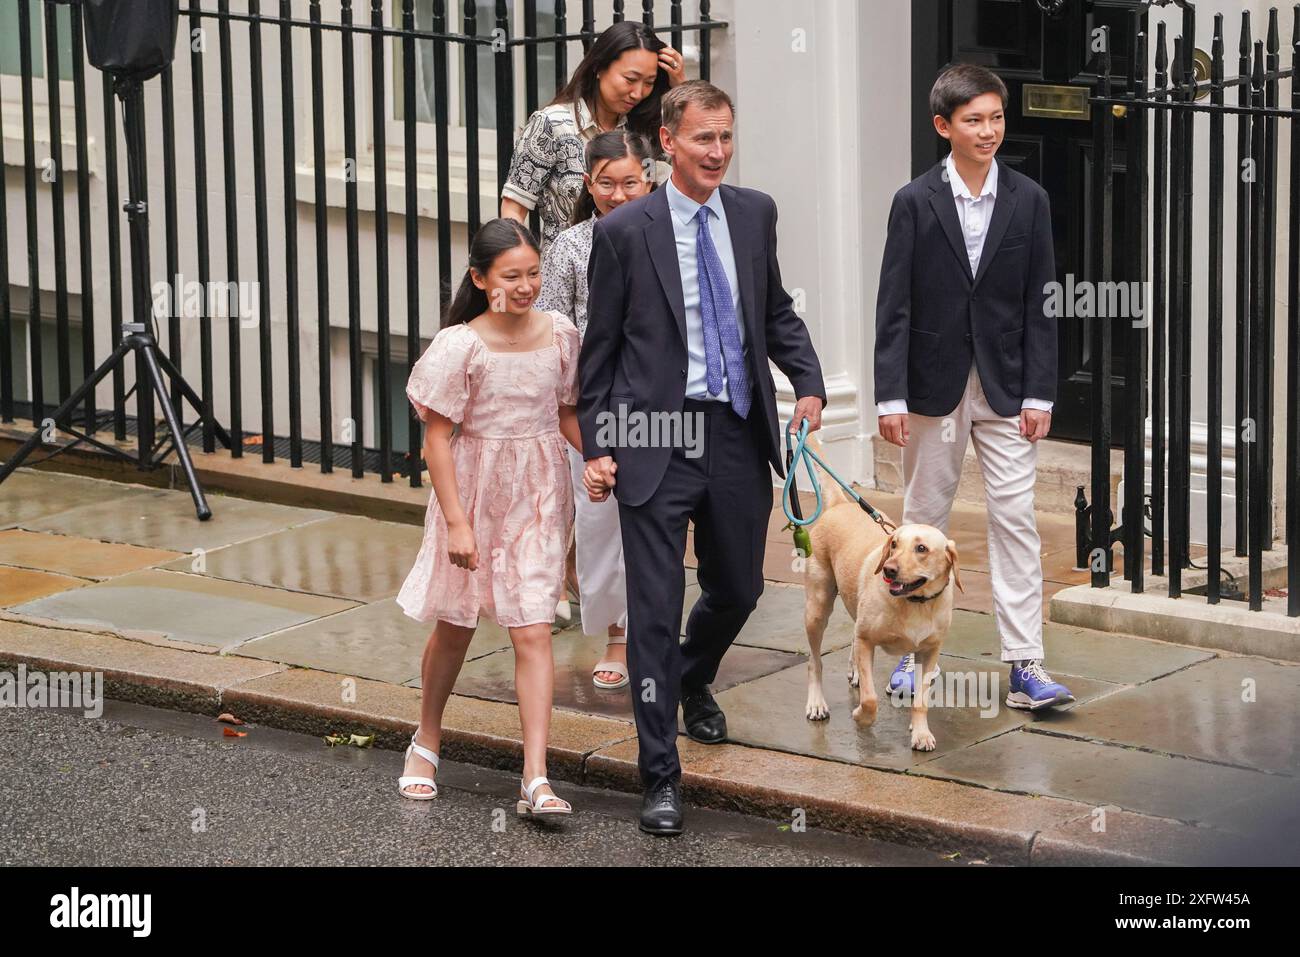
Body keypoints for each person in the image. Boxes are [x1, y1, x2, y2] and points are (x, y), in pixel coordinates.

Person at [579, 81, 827, 836]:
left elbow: (772, 307)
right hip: (654, 437)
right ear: (665, 142)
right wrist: (600, 444)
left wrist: (808, 381)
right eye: (702, 140)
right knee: (652, 610)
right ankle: (660, 776)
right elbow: (601, 355)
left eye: (726, 137)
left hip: (734, 429)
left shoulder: (754, 214)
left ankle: (688, 679)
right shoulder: (626, 234)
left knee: (739, 586)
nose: (718, 152)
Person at [874, 63, 1075, 712]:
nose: (989, 130)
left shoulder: (1030, 200)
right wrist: (889, 394)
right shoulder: (913, 201)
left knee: (1015, 518)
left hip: (1008, 386)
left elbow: (1043, 303)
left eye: (996, 118)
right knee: (921, 522)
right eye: (974, 120)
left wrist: (1042, 392)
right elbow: (894, 304)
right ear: (943, 126)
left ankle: (1025, 665)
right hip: (932, 385)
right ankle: (909, 657)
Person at [395, 218, 584, 817]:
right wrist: (456, 522)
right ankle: (425, 740)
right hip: (472, 498)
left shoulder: (560, 335)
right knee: (457, 624)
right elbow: (437, 440)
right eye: (512, 276)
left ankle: (535, 777)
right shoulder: (461, 346)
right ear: (480, 279)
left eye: (533, 274)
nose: (526, 286)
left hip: (538, 495)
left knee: (532, 626)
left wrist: (600, 459)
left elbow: (564, 413)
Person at [537, 130, 657, 691]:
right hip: (592, 402)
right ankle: (616, 633)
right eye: (605, 183)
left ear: (648, 179)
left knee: (657, 516)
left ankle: (652, 627)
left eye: (628, 182)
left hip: (658, 399)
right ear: (588, 184)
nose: (616, 193)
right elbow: (553, 326)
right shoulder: (570, 247)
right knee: (599, 519)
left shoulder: (668, 234)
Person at [500, 20, 686, 251]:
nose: (638, 93)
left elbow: (687, 169)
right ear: (599, 68)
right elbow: (514, 209)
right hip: (567, 275)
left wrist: (679, 89)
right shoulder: (552, 124)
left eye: (648, 83)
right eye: (630, 79)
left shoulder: (645, 130)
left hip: (636, 271)